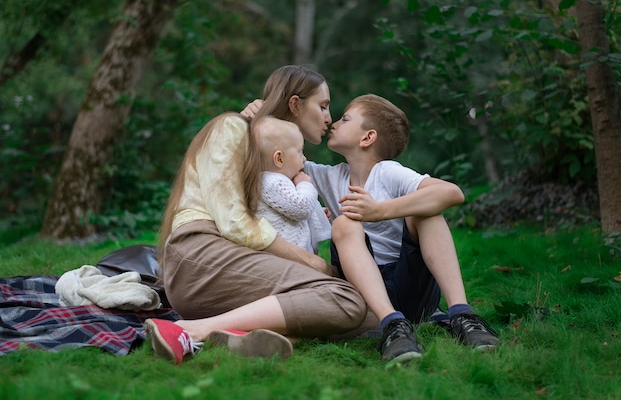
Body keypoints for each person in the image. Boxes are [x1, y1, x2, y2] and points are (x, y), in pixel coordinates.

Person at [143, 65, 367, 365]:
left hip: (232, 270)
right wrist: (313, 263)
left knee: (367, 317)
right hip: (201, 255)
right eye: (323, 106)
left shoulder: (286, 166)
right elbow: (236, 224)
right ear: (295, 104)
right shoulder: (232, 127)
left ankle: (244, 336)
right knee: (345, 299)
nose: (329, 117)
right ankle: (193, 330)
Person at [303, 94, 501, 363]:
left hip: (411, 286)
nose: (334, 123)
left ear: (367, 138)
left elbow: (451, 193)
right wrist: (257, 115)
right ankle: (393, 325)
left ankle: (462, 315)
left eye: (345, 119)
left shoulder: (387, 172)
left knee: (427, 213)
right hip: (364, 292)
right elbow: (275, 153)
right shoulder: (329, 177)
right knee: (343, 223)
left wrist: (378, 211)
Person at [254, 116, 330, 253]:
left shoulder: (276, 182)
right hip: (286, 259)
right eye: (300, 151)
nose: (304, 158)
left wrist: (318, 211)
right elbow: (301, 207)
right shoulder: (271, 182)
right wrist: (305, 184)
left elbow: (291, 210)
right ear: (279, 159)